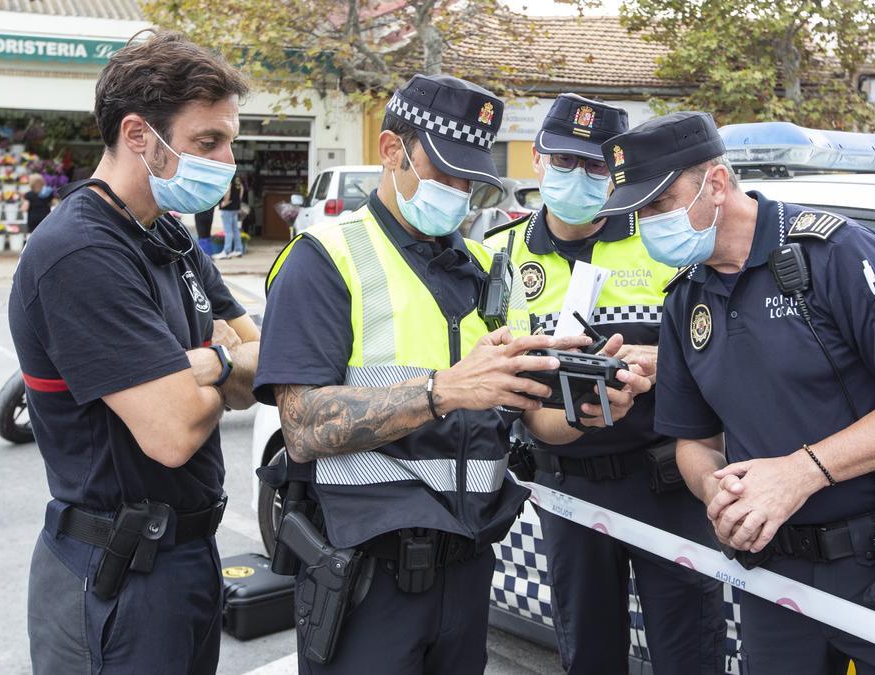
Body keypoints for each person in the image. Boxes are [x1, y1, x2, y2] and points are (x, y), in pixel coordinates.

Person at [254, 74, 652, 675]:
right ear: (392, 151)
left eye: (471, 180)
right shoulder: (324, 258)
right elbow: (304, 426)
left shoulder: (487, 267)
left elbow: (529, 414)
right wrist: (442, 391)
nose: (460, 192)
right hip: (366, 574)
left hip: (468, 566)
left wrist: (587, 414)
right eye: (445, 174)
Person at [596, 112, 875, 674]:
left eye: (659, 203)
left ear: (717, 185)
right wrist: (716, 494)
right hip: (775, 572)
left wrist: (801, 472)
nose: (647, 222)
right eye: (638, 210)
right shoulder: (685, 300)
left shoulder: (837, 253)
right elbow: (693, 441)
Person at [7, 32, 258, 674]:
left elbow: (267, 357)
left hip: (185, 560)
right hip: (115, 578)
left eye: (230, 139)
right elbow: (171, 433)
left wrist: (209, 367)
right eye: (209, 142)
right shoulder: (83, 253)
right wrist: (221, 364)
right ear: (140, 135)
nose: (228, 159)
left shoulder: (169, 235)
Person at [483, 95, 724, 674]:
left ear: (615, 172)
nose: (578, 177)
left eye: (595, 166)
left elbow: (728, 348)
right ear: (537, 159)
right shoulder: (499, 256)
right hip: (569, 489)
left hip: (668, 482)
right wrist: (571, 418)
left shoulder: (665, 237)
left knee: (690, 656)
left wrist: (668, 363)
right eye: (564, 161)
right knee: (589, 657)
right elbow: (500, 389)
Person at [215, 175, 244, 259]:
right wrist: (238, 202)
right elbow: (241, 189)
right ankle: (238, 250)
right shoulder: (237, 178)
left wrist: (225, 201)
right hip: (235, 207)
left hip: (227, 208)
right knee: (235, 230)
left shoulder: (229, 176)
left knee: (228, 231)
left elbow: (228, 189)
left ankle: (226, 252)